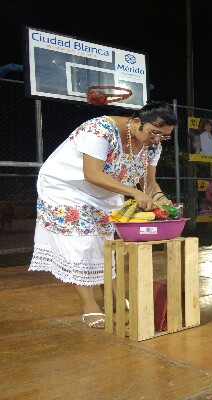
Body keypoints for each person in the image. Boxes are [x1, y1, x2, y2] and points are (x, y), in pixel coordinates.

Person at [28, 101, 177, 329]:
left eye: (164, 136)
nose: (157, 139)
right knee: (84, 244)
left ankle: (113, 297)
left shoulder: (152, 146)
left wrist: (162, 200)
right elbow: (92, 174)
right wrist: (134, 192)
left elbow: (149, 184)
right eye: (154, 132)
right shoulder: (99, 130)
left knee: (106, 246)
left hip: (105, 193)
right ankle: (89, 306)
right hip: (66, 188)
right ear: (138, 121)